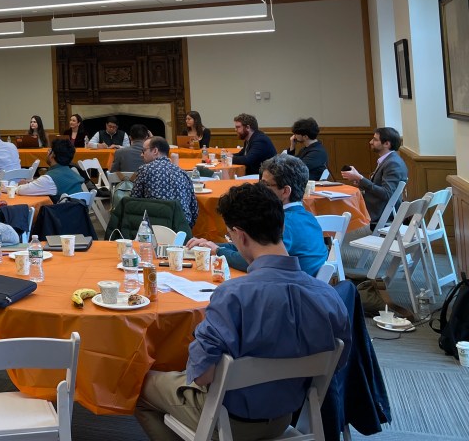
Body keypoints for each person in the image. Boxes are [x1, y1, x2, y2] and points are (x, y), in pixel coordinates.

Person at [136, 182, 350, 441]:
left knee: (137, 386)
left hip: (227, 421)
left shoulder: (232, 295)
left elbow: (202, 376)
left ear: (240, 235)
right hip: (285, 416)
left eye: (229, 236)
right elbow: (337, 362)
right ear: (281, 226)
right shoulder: (329, 297)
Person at [188, 154, 328, 276]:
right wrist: (211, 245)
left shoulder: (285, 223)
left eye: (265, 185)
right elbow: (254, 246)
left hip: (287, 292)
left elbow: (254, 261)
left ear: (285, 191)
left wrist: (218, 251)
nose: (260, 189)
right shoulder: (309, 217)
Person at [340, 127, 409, 225]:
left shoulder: (393, 163)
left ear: (387, 144)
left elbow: (387, 194)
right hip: (377, 207)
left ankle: (334, 238)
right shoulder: (390, 160)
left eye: (375, 140)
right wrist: (360, 181)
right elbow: (379, 186)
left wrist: (360, 178)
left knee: (339, 211)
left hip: (379, 212)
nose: (370, 142)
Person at [131, 136, 198, 226]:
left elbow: (133, 202)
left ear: (155, 151)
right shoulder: (182, 172)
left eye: (144, 151)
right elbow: (194, 208)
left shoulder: (145, 169)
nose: (141, 155)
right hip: (182, 227)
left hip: (155, 227)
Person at [15, 139, 85, 198]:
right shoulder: (73, 173)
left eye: (50, 150)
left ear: (53, 154)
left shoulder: (49, 179)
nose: (47, 152)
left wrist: (21, 185)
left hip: (60, 213)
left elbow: (22, 190)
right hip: (77, 211)